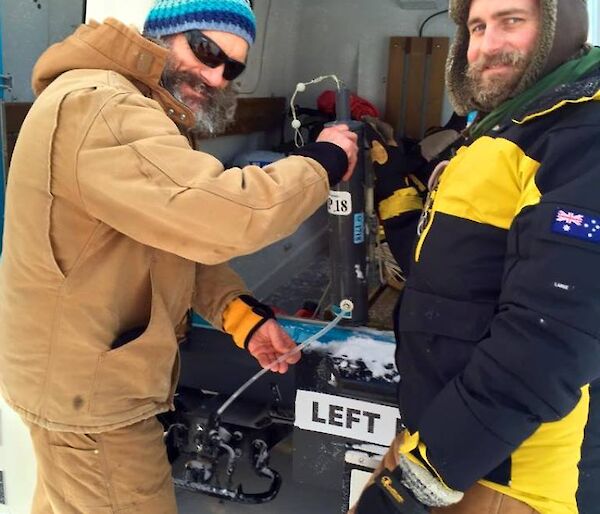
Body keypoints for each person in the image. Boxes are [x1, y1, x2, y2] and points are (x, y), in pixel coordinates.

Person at [0, 1, 358, 512]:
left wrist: (239, 315)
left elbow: (167, 241)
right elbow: (223, 215)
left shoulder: (130, 106)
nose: (215, 74)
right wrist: (323, 161)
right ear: (161, 35)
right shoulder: (103, 107)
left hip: (77, 388)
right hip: (94, 403)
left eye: (231, 67)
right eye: (206, 49)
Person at [351, 0, 600, 513]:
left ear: (560, 27)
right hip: (442, 441)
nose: (486, 45)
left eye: (512, 21)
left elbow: (548, 339)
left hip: (504, 475)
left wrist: (419, 481)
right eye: (477, 27)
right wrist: (395, 181)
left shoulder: (580, 133)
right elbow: (450, 277)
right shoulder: (504, 129)